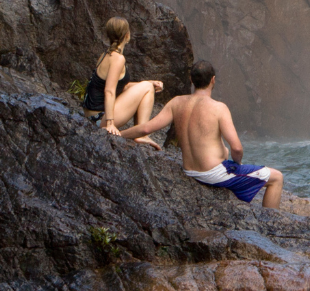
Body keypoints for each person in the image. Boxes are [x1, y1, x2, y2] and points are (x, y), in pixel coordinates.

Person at [116, 60, 284, 208]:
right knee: (276, 178)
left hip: (190, 171)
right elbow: (237, 148)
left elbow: (146, 129)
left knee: (223, 151)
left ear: (191, 80)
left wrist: (118, 134)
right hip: (214, 174)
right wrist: (236, 165)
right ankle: (268, 226)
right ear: (213, 80)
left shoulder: (176, 102)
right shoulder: (218, 108)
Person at [85, 17, 163, 149]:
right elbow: (109, 91)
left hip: (91, 116)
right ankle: (140, 134)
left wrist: (148, 83)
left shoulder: (106, 54)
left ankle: (138, 132)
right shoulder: (118, 59)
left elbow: (122, 86)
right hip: (100, 119)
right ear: (127, 35)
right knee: (147, 87)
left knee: (147, 85)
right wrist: (110, 123)